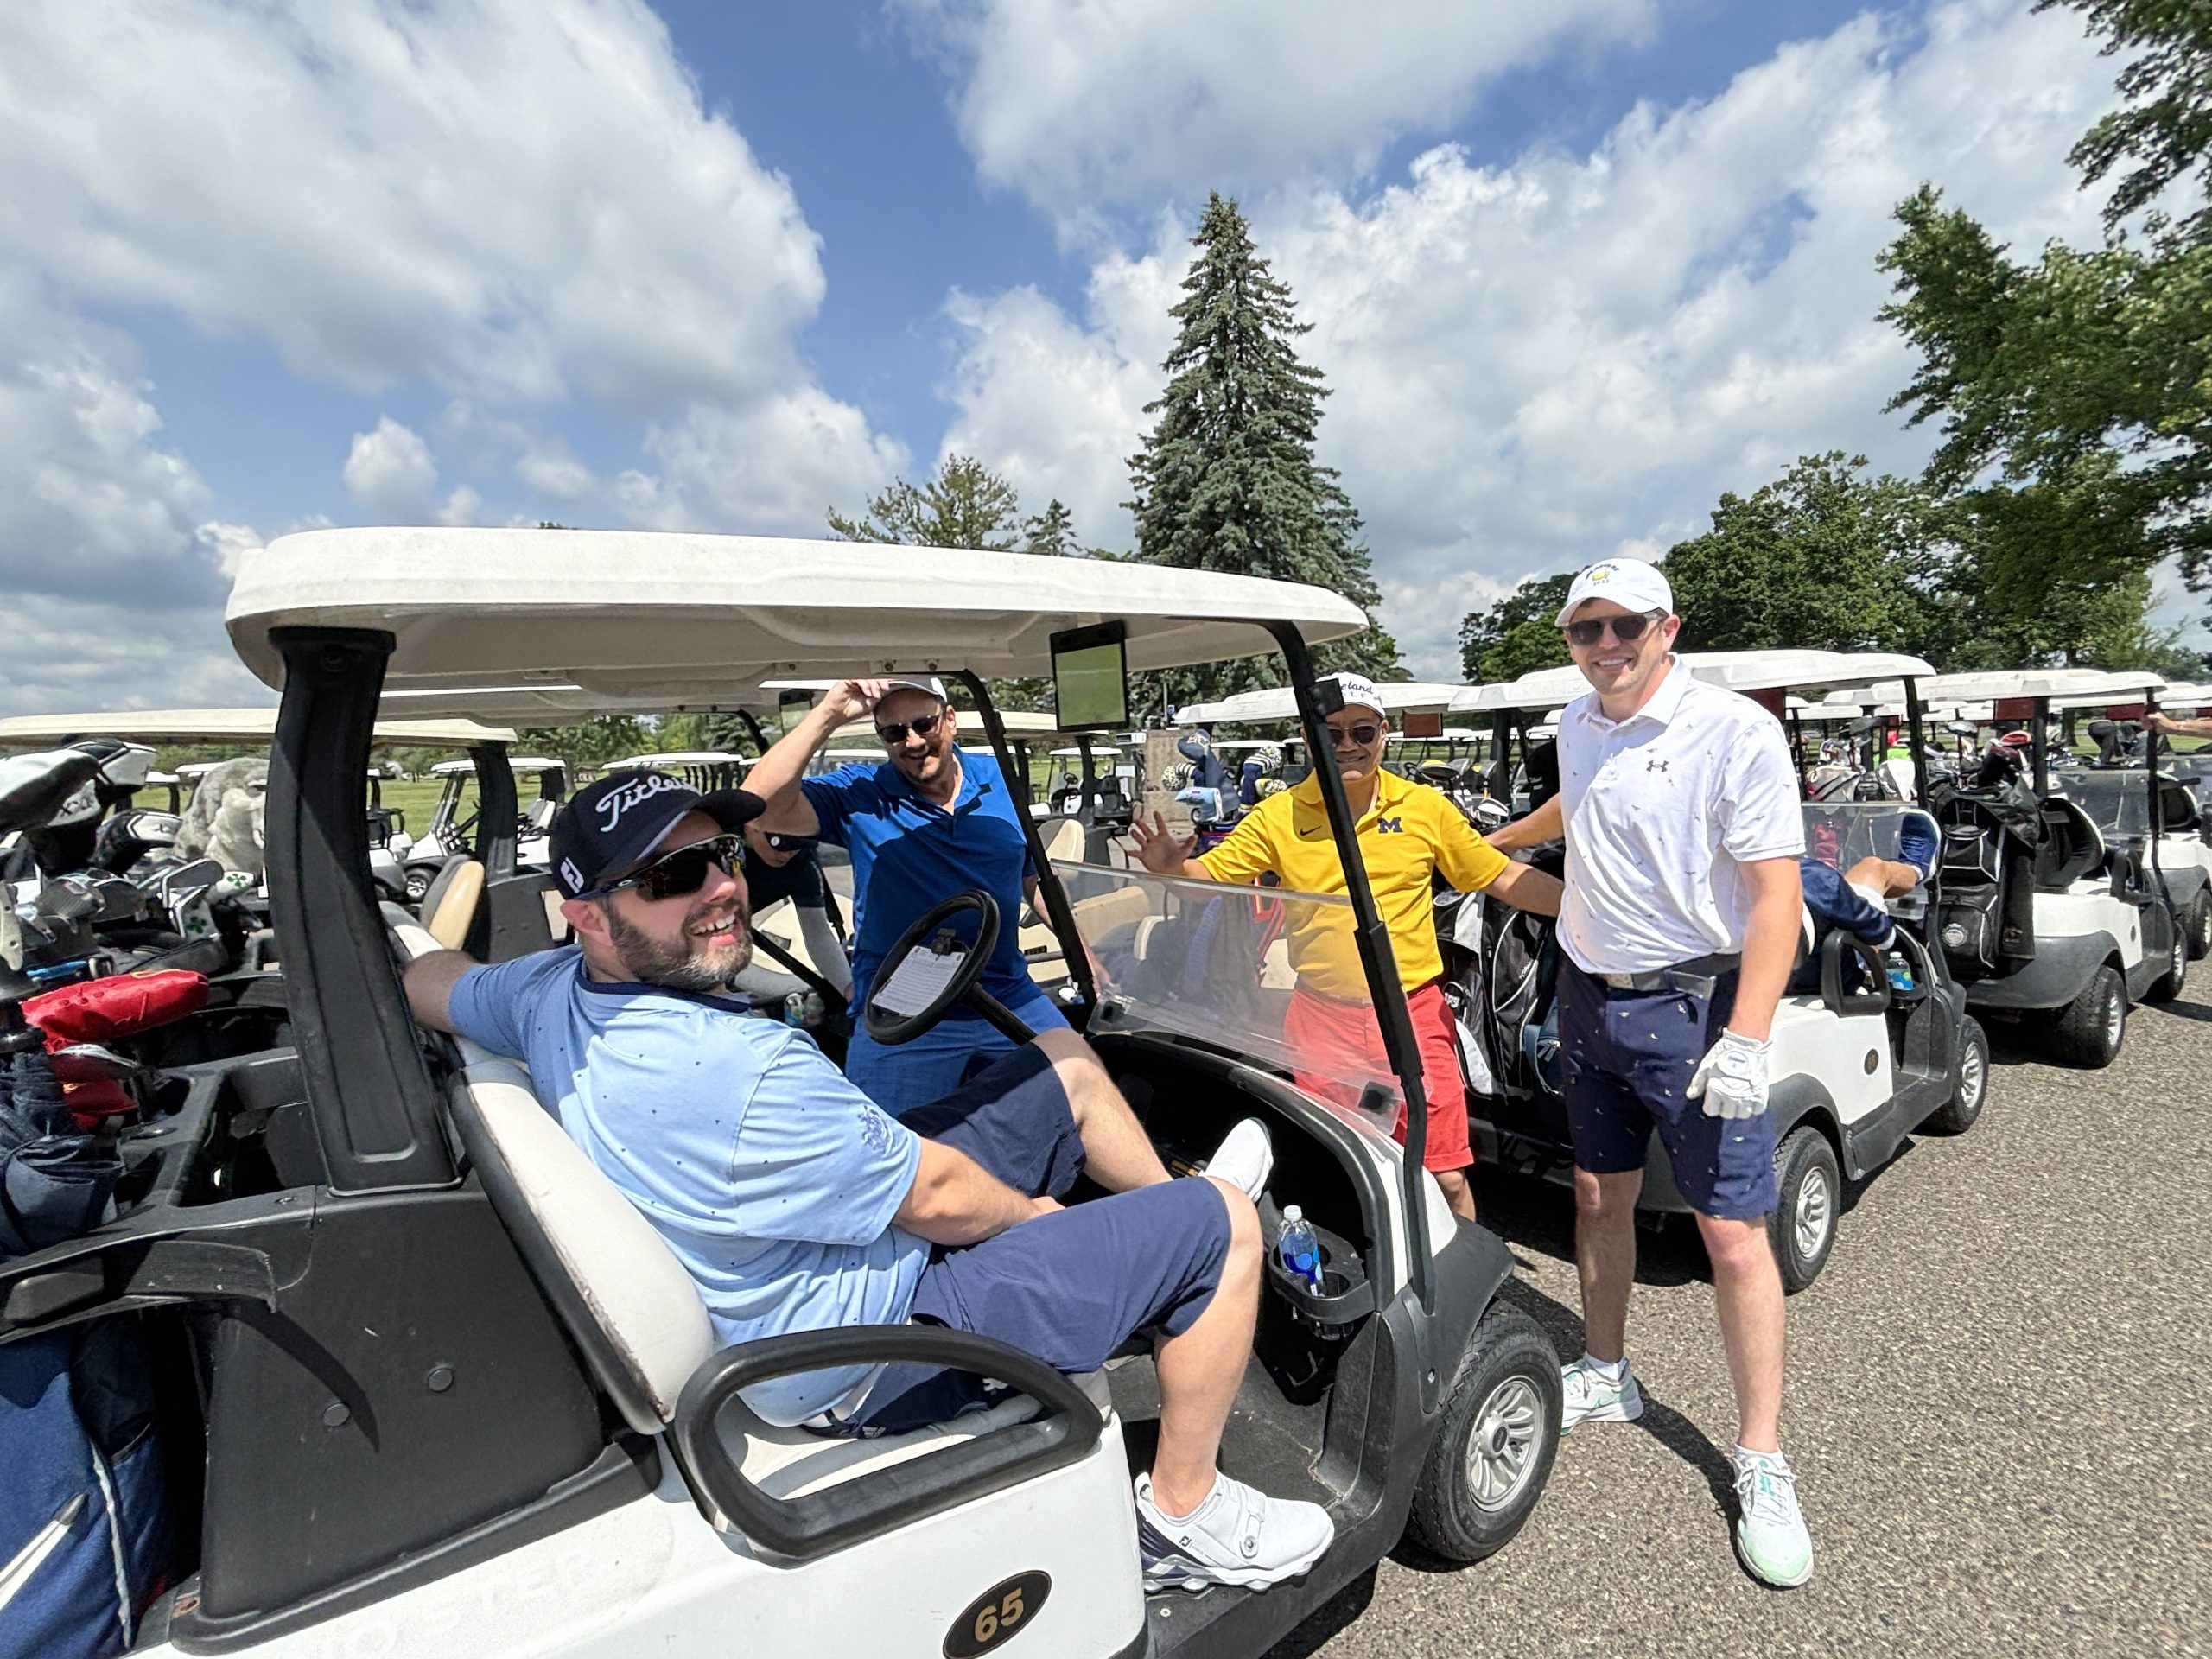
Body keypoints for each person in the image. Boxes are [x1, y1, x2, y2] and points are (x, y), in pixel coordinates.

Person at [402, 769, 1329, 1592]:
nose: (721, 889)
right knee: (1222, 1221)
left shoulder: (546, 991)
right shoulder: (742, 1068)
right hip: (863, 1352)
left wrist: (400, 943)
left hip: (814, 1258)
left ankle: (1161, 1236)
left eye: (721, 856)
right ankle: (1184, 1512)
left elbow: (431, 981)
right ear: (587, 915)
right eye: (669, 878)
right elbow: (941, 1201)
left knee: (1062, 1062)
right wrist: (1036, 1217)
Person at [1497, 557, 1815, 1589]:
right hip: (1589, 997)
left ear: (1666, 629)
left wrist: (1748, 1037)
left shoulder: (1733, 731)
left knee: (1731, 1234)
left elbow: (1776, 896)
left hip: (1695, 1007)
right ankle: (1607, 1371)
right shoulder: (1577, 722)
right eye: (1584, 629)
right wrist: (1488, 845)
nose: (1605, 646)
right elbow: (1580, 801)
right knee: (1598, 1195)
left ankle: (1761, 1457)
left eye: (1623, 625)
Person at [1128, 672, 1563, 1224]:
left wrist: (1584, 908)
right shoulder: (1278, 815)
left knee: (1445, 1173)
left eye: (1362, 731)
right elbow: (1208, 880)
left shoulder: (1424, 808)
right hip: (1321, 1021)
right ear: (1309, 740)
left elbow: (1498, 876)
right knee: (1341, 1165)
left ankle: (1458, 1268)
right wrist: (1172, 869)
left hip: (1409, 1014)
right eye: (1331, 733)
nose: (1348, 744)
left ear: (1384, 734)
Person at [748, 678, 1068, 1114]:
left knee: (1086, 1093)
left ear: (949, 719)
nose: (913, 741)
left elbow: (1032, 879)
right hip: (903, 1008)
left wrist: (1087, 957)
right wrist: (829, 713)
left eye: (923, 724)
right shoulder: (860, 793)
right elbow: (758, 804)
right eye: (895, 732)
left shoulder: (999, 779)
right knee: (886, 1138)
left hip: (1007, 995)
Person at [731, 817, 854, 1000]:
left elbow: (819, 937)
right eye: (781, 845)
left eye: (797, 846)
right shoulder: (718, 846)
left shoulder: (801, 864)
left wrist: (849, 990)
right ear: (750, 827)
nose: (787, 854)